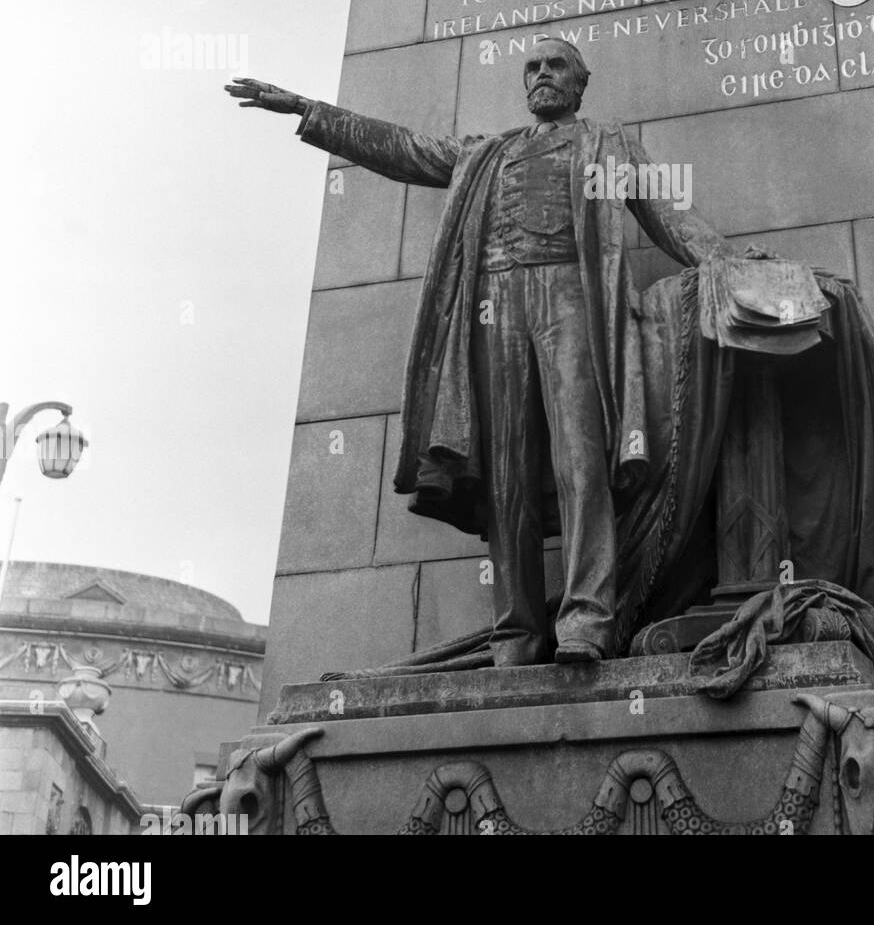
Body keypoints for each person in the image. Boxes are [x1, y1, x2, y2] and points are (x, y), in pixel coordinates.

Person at [226, 39, 730, 666]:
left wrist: (731, 264)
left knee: (581, 460)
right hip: (495, 304)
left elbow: (668, 213)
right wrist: (309, 110)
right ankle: (517, 632)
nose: (542, 76)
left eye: (556, 68)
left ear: (581, 84)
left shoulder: (607, 144)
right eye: (533, 68)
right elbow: (404, 149)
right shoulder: (487, 154)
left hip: (571, 296)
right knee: (506, 475)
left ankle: (586, 621)